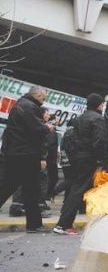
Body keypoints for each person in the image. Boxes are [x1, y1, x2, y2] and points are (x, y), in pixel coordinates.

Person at [0, 86, 55, 233]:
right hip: (27, 155)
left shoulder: (20, 105)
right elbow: (36, 129)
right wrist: (47, 128)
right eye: (43, 98)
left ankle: (35, 225)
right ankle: (34, 225)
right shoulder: (30, 107)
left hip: (16, 154)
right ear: (37, 95)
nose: (44, 102)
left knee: (8, 187)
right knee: (32, 191)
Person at [54, 94, 108, 235]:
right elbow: (100, 142)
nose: (103, 106)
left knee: (76, 189)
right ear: (99, 105)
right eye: (102, 104)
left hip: (78, 158)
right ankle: (63, 225)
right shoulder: (98, 119)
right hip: (89, 159)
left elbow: (73, 139)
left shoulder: (80, 118)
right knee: (78, 191)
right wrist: (101, 160)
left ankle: (65, 223)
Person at [54, 118, 78, 202]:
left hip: (65, 160)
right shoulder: (73, 133)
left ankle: (66, 200)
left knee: (70, 180)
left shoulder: (67, 132)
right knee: (70, 180)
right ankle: (54, 192)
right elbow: (72, 148)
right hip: (70, 160)